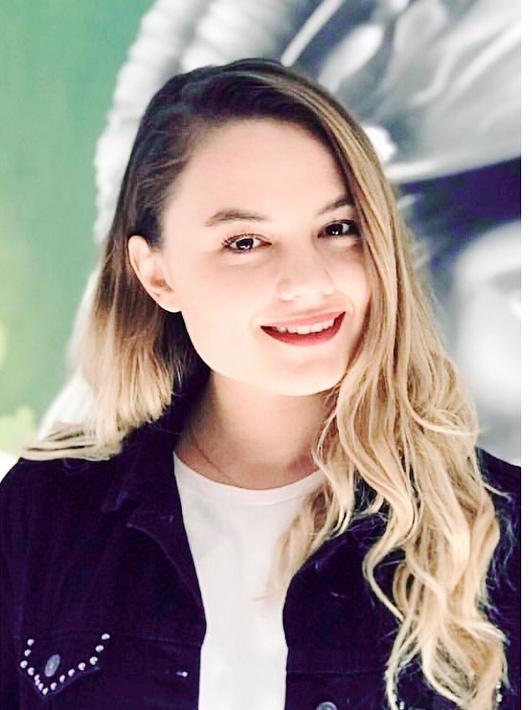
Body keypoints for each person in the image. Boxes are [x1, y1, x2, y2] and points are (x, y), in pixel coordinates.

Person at [0, 58, 519, 709]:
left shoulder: (502, 527)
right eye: (245, 242)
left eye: (338, 229)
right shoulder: (45, 510)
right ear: (157, 274)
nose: (308, 282)